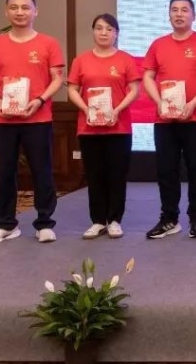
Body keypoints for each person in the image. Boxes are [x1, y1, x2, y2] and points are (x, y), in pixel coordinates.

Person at [0, 0, 64, 244]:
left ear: (36, 11)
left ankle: (44, 223)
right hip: (2, 119)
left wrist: (39, 100)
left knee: (42, 171)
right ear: (6, 12)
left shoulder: (48, 43)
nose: (20, 12)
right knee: (5, 172)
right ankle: (5, 225)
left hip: (38, 118)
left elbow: (57, 78)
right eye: (14, 7)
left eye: (26, 7)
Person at [141, 0, 196, 239]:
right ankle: (169, 218)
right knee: (166, 170)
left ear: (193, 15)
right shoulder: (158, 44)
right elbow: (147, 76)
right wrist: (159, 102)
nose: (179, 14)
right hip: (165, 119)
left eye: (184, 10)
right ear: (169, 15)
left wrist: (192, 103)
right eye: (174, 10)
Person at [67, 14, 140, 240]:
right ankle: (98, 221)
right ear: (93, 32)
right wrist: (86, 109)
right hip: (89, 127)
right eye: (99, 28)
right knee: (94, 174)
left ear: (116, 33)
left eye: (109, 29)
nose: (104, 33)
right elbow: (72, 89)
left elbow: (134, 89)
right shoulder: (81, 60)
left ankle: (115, 220)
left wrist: (117, 109)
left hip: (119, 127)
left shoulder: (126, 59)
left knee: (117, 174)